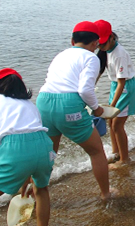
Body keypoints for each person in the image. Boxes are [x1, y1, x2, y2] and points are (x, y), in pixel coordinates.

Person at [36, 21, 115, 201]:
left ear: (72, 40)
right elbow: (85, 90)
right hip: (68, 104)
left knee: (49, 153)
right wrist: (97, 109)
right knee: (96, 152)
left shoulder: (61, 54)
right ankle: (106, 194)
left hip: (43, 101)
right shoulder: (91, 58)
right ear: (95, 43)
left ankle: (37, 192)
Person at [0, 68, 54, 226]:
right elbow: (33, 132)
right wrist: (26, 174)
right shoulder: (28, 104)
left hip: (16, 149)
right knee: (41, 189)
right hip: (45, 146)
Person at [95, 20, 135, 169]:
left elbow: (122, 83)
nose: (100, 46)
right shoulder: (104, 51)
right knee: (110, 122)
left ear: (112, 37)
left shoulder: (119, 54)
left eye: (102, 43)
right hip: (116, 85)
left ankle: (124, 159)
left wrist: (112, 106)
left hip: (125, 87)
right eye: (98, 44)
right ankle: (116, 152)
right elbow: (99, 71)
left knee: (117, 125)